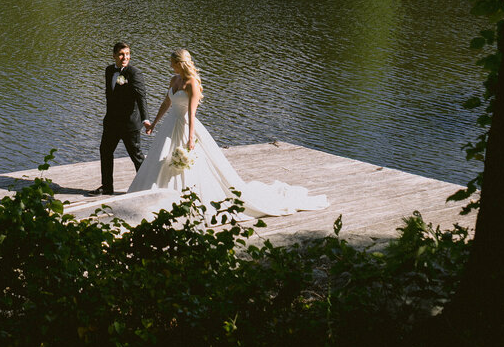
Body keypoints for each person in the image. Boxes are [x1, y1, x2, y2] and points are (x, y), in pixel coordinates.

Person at [128, 49, 328, 217]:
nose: (171, 66)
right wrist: (154, 123)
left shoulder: (192, 83)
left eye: (173, 63)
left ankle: (185, 199)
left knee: (186, 164)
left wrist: (190, 138)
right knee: (160, 158)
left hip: (185, 125)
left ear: (181, 63)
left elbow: (191, 112)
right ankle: (154, 196)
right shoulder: (174, 80)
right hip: (170, 125)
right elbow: (166, 103)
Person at [90, 41, 148, 196]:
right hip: (111, 122)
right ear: (114, 56)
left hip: (129, 124)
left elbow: (141, 97)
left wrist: (145, 119)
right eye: (121, 54)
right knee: (105, 151)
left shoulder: (134, 73)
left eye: (127, 54)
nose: (125, 57)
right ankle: (107, 187)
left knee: (136, 156)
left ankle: (147, 187)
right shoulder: (109, 70)